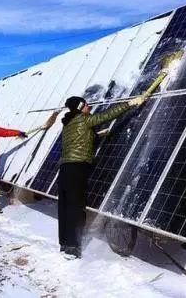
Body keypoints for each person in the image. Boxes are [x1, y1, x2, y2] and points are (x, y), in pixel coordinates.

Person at [58, 95, 145, 258]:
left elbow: (79, 140)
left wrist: (97, 136)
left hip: (65, 168)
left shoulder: (68, 123)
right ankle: (73, 247)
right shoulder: (83, 119)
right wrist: (129, 103)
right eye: (86, 105)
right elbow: (106, 115)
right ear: (80, 107)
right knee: (76, 207)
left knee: (65, 206)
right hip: (77, 167)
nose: (88, 107)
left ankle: (64, 243)